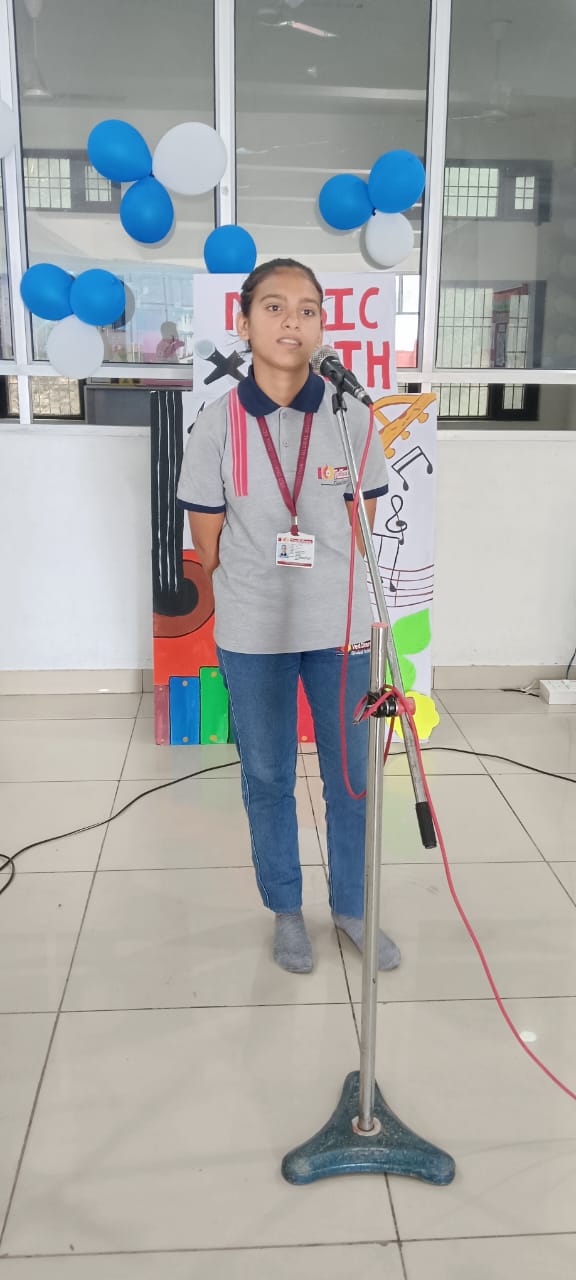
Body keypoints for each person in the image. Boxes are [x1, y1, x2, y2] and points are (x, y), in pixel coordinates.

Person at [177, 257, 400, 976]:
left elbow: (362, 531)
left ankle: (353, 907)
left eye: (307, 309)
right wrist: (260, 588)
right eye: (273, 307)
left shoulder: (352, 417)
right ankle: (285, 910)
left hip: (341, 631)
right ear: (244, 323)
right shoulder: (217, 424)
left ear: (322, 326)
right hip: (253, 632)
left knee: (352, 779)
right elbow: (208, 544)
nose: (291, 322)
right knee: (269, 775)